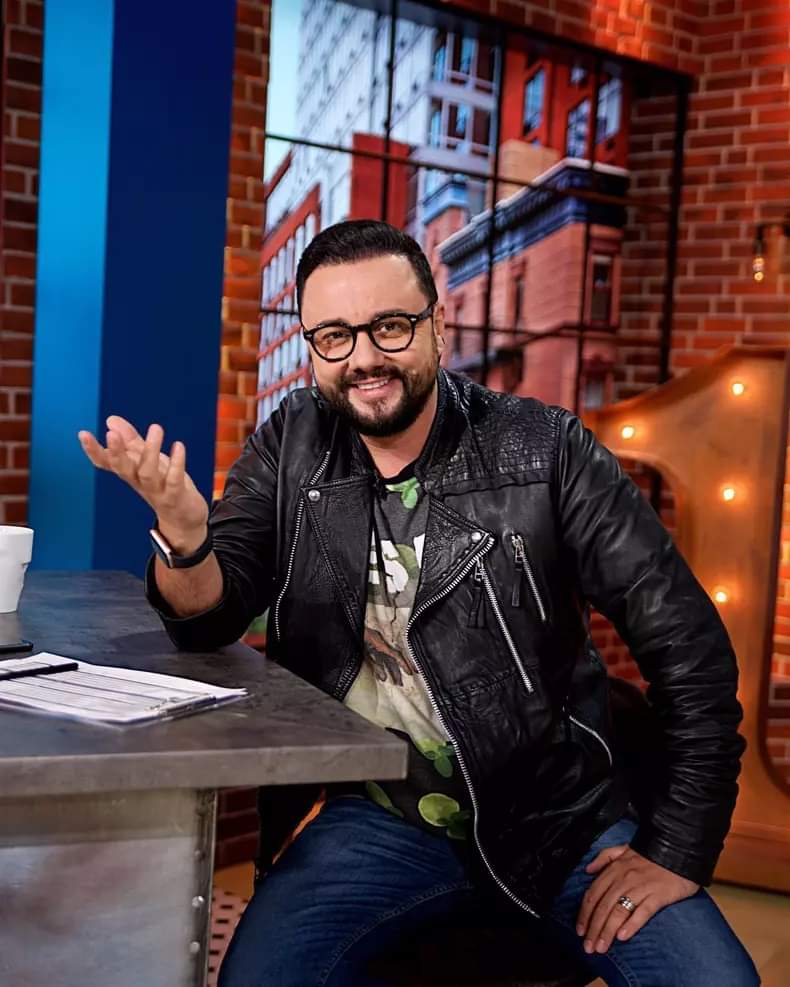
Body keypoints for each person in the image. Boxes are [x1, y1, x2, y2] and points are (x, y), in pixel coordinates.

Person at [78, 220, 759, 986]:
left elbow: (691, 652)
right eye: (334, 335)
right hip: (381, 817)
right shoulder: (291, 444)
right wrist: (185, 540)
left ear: (437, 325)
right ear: (312, 347)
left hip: (558, 818)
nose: (363, 357)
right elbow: (210, 614)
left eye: (390, 326)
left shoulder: (546, 450)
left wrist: (678, 848)